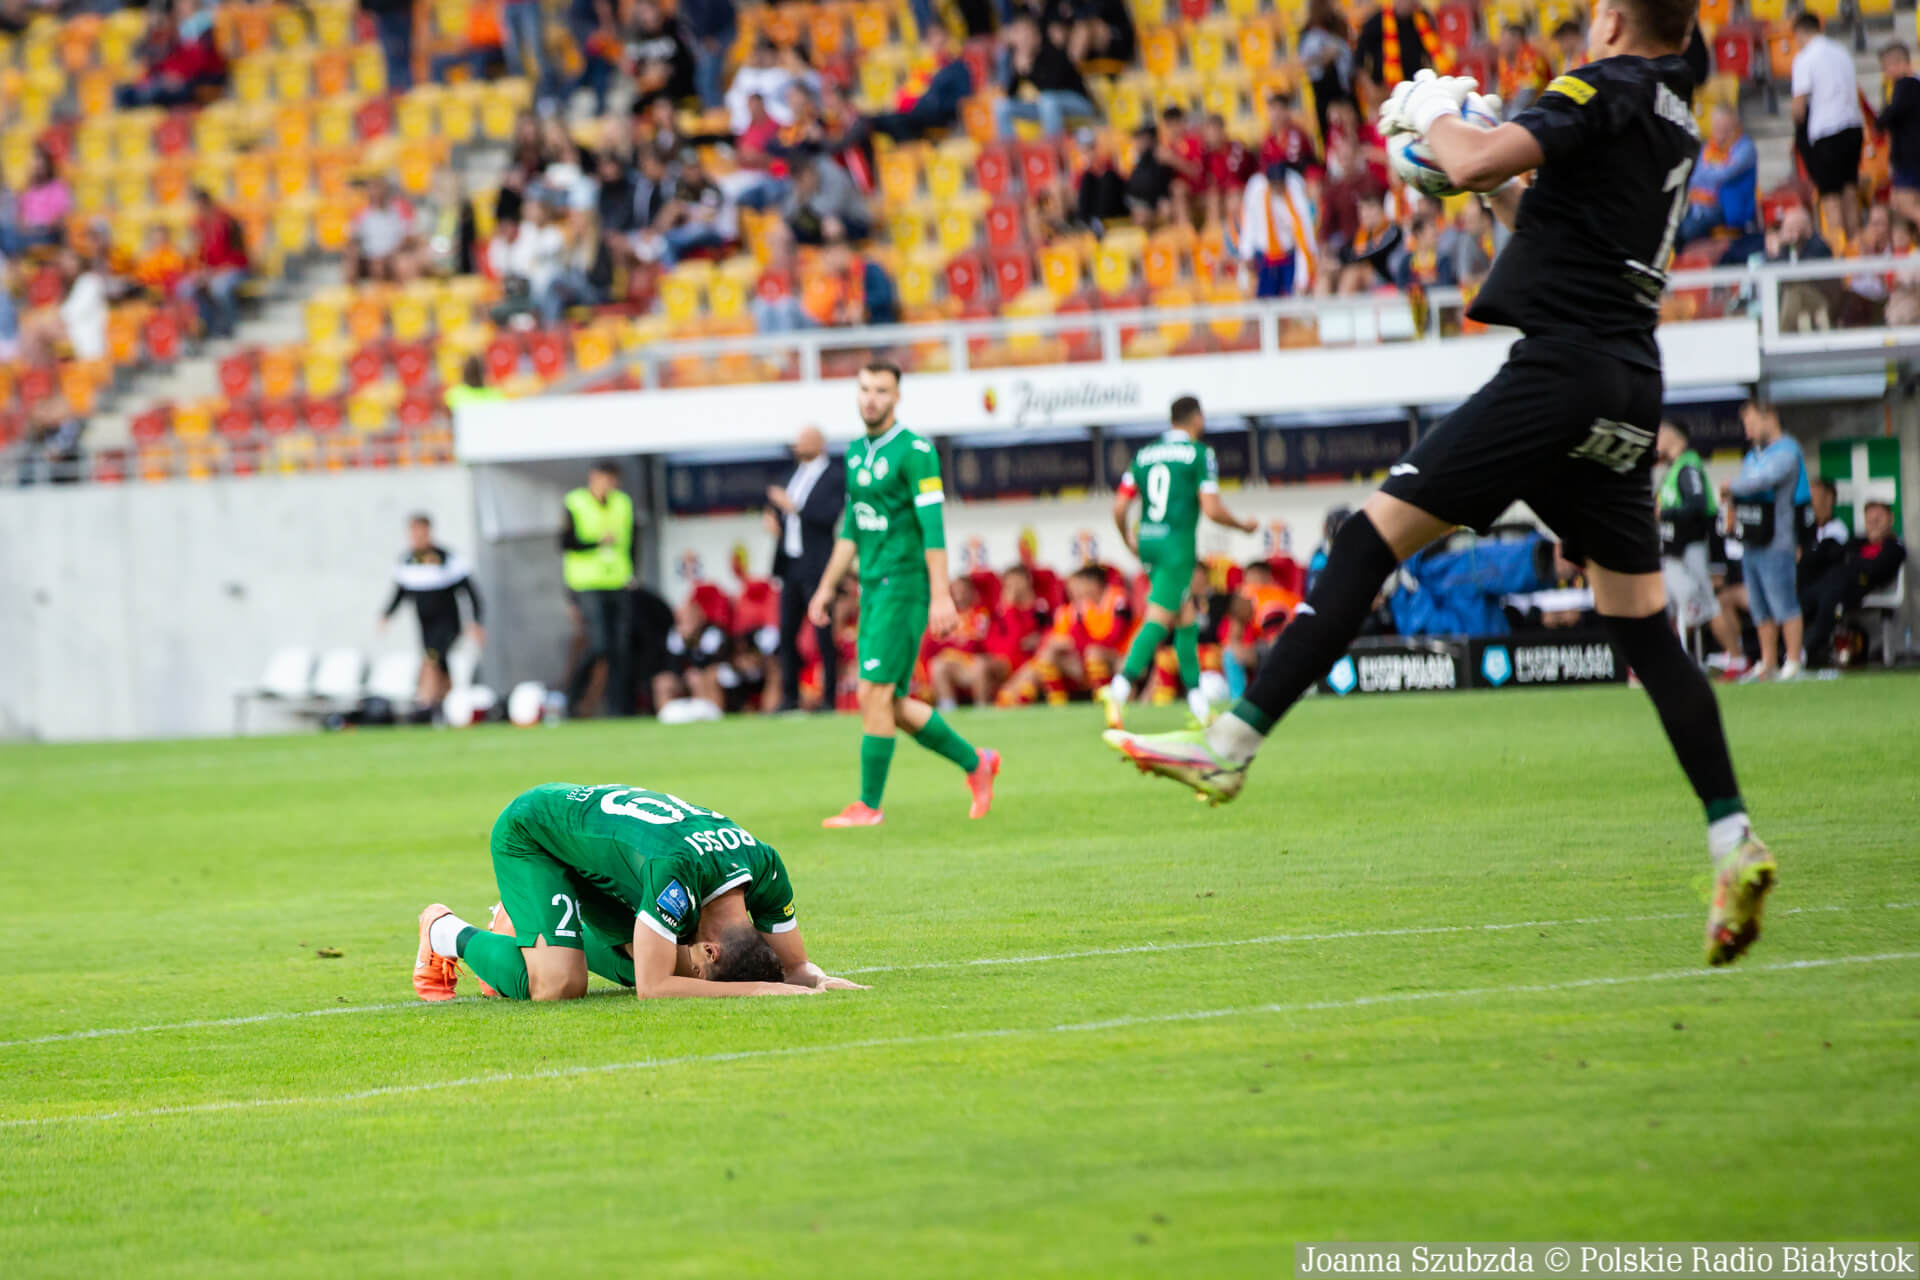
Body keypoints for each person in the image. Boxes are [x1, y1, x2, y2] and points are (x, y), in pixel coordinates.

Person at [1106, 0, 1777, 971]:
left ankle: (1232, 745)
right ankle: (1732, 836)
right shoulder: (1673, 107)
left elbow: (1470, 161)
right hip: (1631, 381)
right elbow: (1533, 214)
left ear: (1612, 21)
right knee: (1641, 627)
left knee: (1365, 539)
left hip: (1559, 371)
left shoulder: (1602, 85)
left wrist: (1436, 115)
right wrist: (1473, 161)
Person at [412, 783, 866, 1002]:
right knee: (559, 985)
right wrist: (759, 992)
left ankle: (525, 930)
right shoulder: (677, 875)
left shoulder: (764, 865)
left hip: (609, 860)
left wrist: (818, 981)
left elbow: (794, 965)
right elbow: (654, 988)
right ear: (710, 950)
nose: (697, 972)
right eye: (703, 968)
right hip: (536, 834)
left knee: (657, 958)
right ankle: (445, 932)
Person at [804, 362, 1000, 828]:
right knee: (887, 702)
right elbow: (851, 531)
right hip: (872, 589)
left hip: (905, 587)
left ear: (896, 397)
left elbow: (933, 527)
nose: (871, 398)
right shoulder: (856, 453)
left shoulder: (916, 451)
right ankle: (976, 762)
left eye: (881, 390)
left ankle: (868, 806)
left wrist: (941, 595)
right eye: (865, 389)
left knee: (872, 692)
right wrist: (826, 587)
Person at [1100, 398, 1259, 729]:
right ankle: (1118, 690)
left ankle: (1199, 707)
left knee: (1186, 618)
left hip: (1148, 541)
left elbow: (1119, 507)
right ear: (1196, 418)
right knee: (1158, 619)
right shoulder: (1199, 454)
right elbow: (1212, 509)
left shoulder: (1144, 454)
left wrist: (1128, 539)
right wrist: (1242, 526)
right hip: (1177, 546)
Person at [1721, 400, 1808, 683]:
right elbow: (1745, 484)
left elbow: (1760, 481)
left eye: (1750, 423)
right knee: (1759, 608)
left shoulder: (1787, 451)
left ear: (1769, 416)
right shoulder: (1753, 455)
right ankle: (1768, 663)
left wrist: (1730, 485)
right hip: (1751, 540)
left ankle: (1793, 661)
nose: (1747, 430)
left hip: (1777, 541)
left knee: (1784, 603)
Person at [768, 425, 845, 711]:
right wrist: (774, 516)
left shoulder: (834, 476)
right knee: (787, 633)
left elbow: (827, 517)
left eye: (803, 441)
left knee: (823, 633)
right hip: (791, 564)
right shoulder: (792, 475)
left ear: (819, 443)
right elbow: (781, 512)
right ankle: (790, 696)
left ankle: (829, 698)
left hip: (818, 565)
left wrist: (793, 507)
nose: (797, 446)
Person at [378, 514, 485, 713]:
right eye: (414, 532)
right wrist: (386, 615)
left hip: (447, 624)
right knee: (440, 665)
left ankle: (426, 704)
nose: (417, 537)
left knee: (431, 661)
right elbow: (400, 592)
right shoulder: (407, 561)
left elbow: (470, 591)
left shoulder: (446, 559)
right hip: (425, 626)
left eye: (421, 532)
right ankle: (447, 706)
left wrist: (476, 621)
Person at [560, 461, 636, 717]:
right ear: (593, 478)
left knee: (621, 647)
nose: (609, 486)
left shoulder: (622, 504)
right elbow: (565, 541)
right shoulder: (575, 502)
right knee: (599, 644)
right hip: (587, 584)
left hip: (618, 582)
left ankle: (619, 709)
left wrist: (632, 573)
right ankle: (571, 698)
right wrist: (596, 542)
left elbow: (632, 541)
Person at [1801, 501, 1906, 667]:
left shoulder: (1893, 548)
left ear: (1890, 519)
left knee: (1827, 609)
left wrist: (1853, 562)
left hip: (1851, 588)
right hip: (1828, 583)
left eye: (1878, 519)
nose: (1874, 524)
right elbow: (1833, 556)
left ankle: (1804, 650)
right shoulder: (1856, 544)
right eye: (1870, 520)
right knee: (1801, 602)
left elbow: (1876, 568)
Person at [1791, 12, 1863, 242]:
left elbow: (1799, 106)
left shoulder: (1805, 58)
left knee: (1830, 196)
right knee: (1850, 191)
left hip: (1828, 130)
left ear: (1800, 32)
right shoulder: (1841, 52)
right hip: (1853, 126)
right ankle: (1856, 244)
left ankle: (1838, 247)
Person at [1654, 420, 1719, 636]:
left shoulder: (1688, 465)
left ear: (1674, 435)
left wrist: (1663, 513)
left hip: (1692, 548)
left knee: (1708, 608)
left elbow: (1697, 504)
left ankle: (1735, 653)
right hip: (1673, 551)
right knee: (1679, 611)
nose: (1657, 438)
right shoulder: (1672, 467)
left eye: (1661, 432)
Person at [996, 9, 1097, 141]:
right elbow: (1012, 94)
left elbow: (1051, 86)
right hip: (1047, 105)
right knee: (1002, 106)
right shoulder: (1017, 57)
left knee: (1047, 100)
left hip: (1079, 103)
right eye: (1019, 35)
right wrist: (1016, 71)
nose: (1023, 40)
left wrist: (1028, 70)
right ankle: (1009, 149)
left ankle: (1053, 147)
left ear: (1037, 37)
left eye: (1026, 34)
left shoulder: (1052, 51)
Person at [1238, 163, 1320, 297]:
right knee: (1263, 299)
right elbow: (1249, 224)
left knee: (1290, 297)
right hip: (1264, 257)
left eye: (1280, 184)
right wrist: (1246, 253)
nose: (1278, 188)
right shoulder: (1257, 190)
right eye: (1274, 184)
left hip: (1289, 256)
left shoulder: (1294, 191)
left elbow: (1304, 232)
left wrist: (1303, 276)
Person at [1679, 105, 1756, 246]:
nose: (1720, 132)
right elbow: (1692, 176)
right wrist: (1712, 171)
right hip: (1700, 207)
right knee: (1673, 230)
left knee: (1688, 231)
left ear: (1734, 125)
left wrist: (1706, 172)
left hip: (1729, 208)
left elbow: (1722, 175)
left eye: (1724, 127)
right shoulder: (1708, 147)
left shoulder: (1745, 148)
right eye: (1717, 127)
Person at [182, 188, 250, 340]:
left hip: (235, 268)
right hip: (213, 271)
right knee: (187, 288)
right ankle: (206, 328)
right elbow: (202, 256)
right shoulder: (199, 224)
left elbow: (237, 256)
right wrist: (201, 272)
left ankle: (229, 327)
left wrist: (211, 273)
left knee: (219, 288)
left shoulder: (226, 221)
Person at [1356, 0, 1445, 99]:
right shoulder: (1376, 22)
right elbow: (1359, 61)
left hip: (1416, 89)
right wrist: (1371, 89)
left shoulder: (1423, 20)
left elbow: (1433, 56)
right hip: (1386, 91)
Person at [1877, 43, 1920, 229]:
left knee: (1905, 205)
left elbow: (1892, 113)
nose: (1886, 73)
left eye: (1887, 67)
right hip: (1913, 156)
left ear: (1900, 63)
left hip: (1908, 157)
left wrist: (1879, 122)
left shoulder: (1904, 85)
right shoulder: (1916, 84)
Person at [1299, 0, 1356, 137]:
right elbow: (1304, 62)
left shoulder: (1338, 25)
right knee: (1330, 134)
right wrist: (1325, 56)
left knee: (1352, 129)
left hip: (1344, 88)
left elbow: (1350, 48)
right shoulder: (1308, 31)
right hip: (1324, 91)